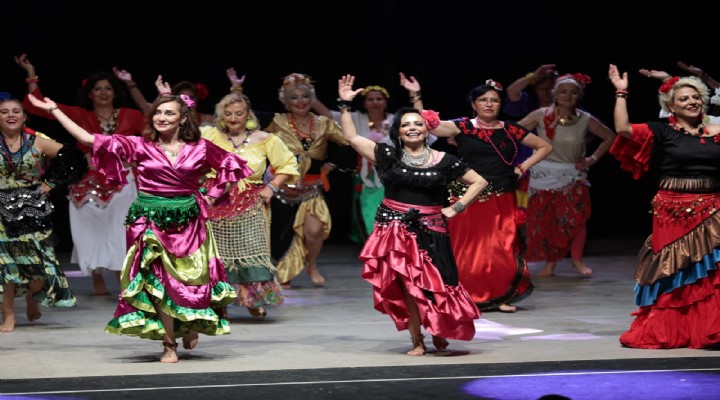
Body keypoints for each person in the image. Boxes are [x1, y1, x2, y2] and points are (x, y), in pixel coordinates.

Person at [27, 88, 252, 362]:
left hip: (189, 222)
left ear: (183, 118)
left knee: (189, 280)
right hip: (149, 220)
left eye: (169, 113)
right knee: (159, 283)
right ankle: (169, 344)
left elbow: (231, 168)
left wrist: (209, 196)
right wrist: (54, 110)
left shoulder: (201, 147)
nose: (161, 117)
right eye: (158, 112)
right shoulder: (139, 145)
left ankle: (189, 324)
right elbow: (87, 138)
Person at [337, 75, 486, 355]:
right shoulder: (387, 156)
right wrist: (344, 104)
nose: (412, 128)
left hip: (433, 230)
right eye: (406, 125)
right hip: (396, 230)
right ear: (398, 132)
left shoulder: (444, 160)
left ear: (427, 130)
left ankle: (439, 330)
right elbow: (351, 137)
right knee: (407, 287)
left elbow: (479, 181)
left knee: (438, 285)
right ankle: (417, 340)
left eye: (418, 124)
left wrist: (456, 208)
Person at [415, 79, 553, 313]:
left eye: (494, 100)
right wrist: (416, 96)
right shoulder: (463, 126)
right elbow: (430, 126)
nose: (489, 104)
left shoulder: (510, 129)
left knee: (501, 247)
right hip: (469, 196)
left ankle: (500, 296)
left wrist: (522, 167)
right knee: (467, 248)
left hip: (502, 195)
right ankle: (463, 295)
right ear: (474, 104)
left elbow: (545, 146)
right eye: (483, 100)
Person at [608, 64, 720, 349]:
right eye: (684, 99)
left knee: (712, 271)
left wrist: (695, 78)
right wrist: (621, 92)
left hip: (713, 207)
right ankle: (674, 329)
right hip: (673, 211)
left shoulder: (715, 130)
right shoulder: (662, 130)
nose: (692, 102)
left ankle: (710, 329)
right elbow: (622, 129)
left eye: (696, 97)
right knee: (675, 269)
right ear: (671, 106)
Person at [15, 53, 146, 296]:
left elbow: (152, 134)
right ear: (90, 94)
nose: (103, 93)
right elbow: (35, 104)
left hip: (125, 182)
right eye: (98, 89)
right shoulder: (80, 115)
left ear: (115, 92)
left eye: (108, 88)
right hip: (91, 183)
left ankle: (123, 277)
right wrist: (31, 74)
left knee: (121, 230)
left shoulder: (132, 115)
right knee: (92, 229)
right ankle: (97, 277)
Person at [200, 92, 299, 319]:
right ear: (221, 115)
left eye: (239, 113)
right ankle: (219, 303)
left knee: (251, 252)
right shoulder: (209, 135)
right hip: (216, 200)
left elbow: (288, 164)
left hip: (250, 203)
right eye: (228, 114)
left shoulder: (265, 139)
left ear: (248, 114)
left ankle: (252, 299)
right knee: (217, 254)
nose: (233, 118)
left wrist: (271, 187)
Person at [0, 95, 86, 332]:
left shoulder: (37, 142)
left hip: (31, 209)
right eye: (4, 111)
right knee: (4, 265)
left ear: (24, 117)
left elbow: (75, 158)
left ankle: (33, 295)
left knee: (38, 267)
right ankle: (8, 315)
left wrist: (50, 183)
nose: (11, 115)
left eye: (16, 111)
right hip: (0, 211)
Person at [516, 73, 616, 277]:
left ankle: (577, 260)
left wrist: (592, 158)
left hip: (572, 175)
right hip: (543, 174)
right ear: (554, 94)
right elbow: (512, 131)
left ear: (579, 95)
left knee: (576, 219)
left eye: (573, 92)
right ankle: (550, 264)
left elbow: (610, 137)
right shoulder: (540, 114)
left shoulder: (584, 118)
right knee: (548, 221)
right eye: (563, 91)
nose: (567, 96)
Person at [312, 73, 425, 243]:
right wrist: (312, 98)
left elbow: (421, 123)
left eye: (379, 99)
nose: (375, 102)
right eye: (371, 99)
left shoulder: (396, 120)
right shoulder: (357, 118)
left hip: (394, 177)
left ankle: (392, 245)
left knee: (395, 215)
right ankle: (376, 245)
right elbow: (328, 115)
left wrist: (415, 95)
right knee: (368, 214)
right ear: (364, 103)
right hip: (366, 179)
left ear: (385, 102)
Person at [263, 73, 350, 288]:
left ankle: (312, 265)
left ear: (312, 99)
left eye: (304, 96)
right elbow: (248, 131)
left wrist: (331, 164)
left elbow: (348, 142)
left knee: (314, 230)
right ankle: (284, 271)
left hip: (311, 188)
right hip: (282, 189)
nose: (300, 101)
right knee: (279, 236)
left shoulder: (324, 123)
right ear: (286, 101)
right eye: (294, 97)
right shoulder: (277, 121)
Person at [113, 67, 215, 126]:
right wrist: (130, 83)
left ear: (197, 99)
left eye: (191, 97)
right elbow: (144, 105)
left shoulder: (208, 119)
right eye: (183, 97)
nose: (187, 100)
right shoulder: (167, 117)